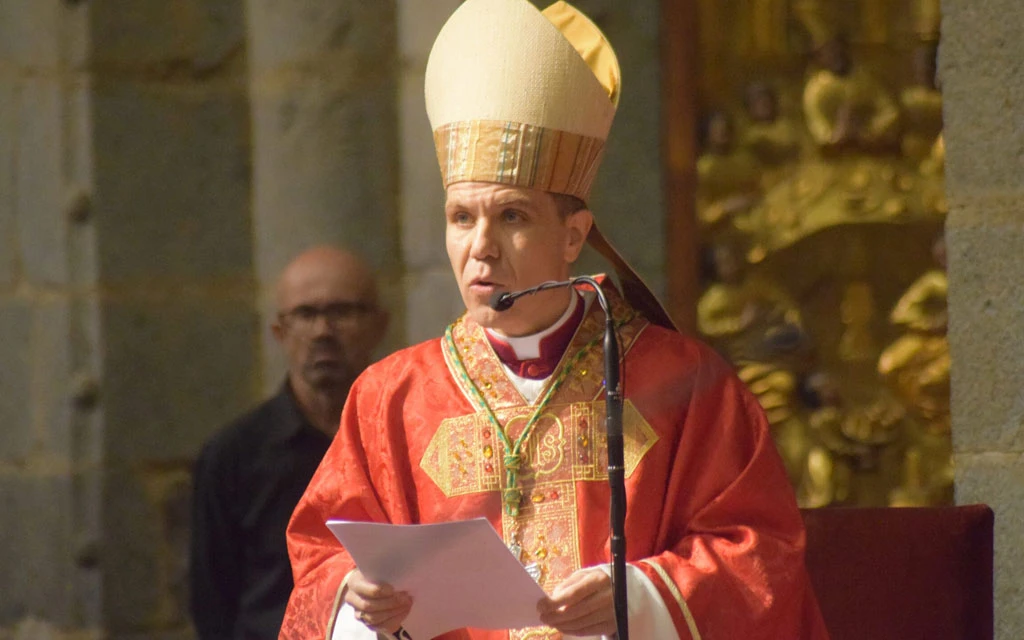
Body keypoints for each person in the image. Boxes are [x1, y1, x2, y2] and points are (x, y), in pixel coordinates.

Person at [281, 1, 829, 639]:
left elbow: (762, 556)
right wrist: (358, 600)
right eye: (462, 217)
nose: (480, 246)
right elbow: (320, 560)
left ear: (574, 235)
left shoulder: (684, 386)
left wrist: (641, 595)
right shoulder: (390, 400)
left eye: (511, 216)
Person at [190, 247, 389, 640]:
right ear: (279, 332)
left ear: (379, 325)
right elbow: (213, 605)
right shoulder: (234, 455)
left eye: (342, 311)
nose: (322, 332)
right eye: (305, 314)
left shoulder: (408, 438)